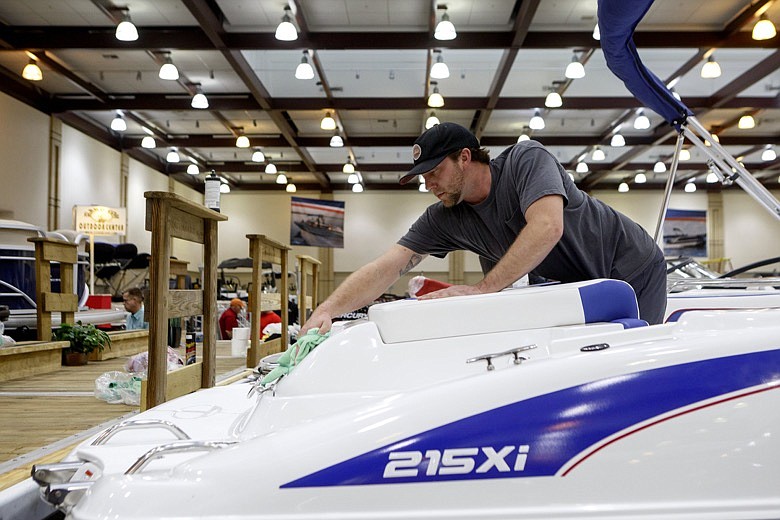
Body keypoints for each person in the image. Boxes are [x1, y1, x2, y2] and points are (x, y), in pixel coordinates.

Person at [303, 122, 667, 333]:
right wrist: (327, 309)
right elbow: (390, 265)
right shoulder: (444, 217)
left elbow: (547, 227)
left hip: (632, 267)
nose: (429, 184)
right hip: (581, 286)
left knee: (634, 366)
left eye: (434, 172)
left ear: (465, 157)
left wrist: (482, 289)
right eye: (423, 177)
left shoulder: (527, 160)